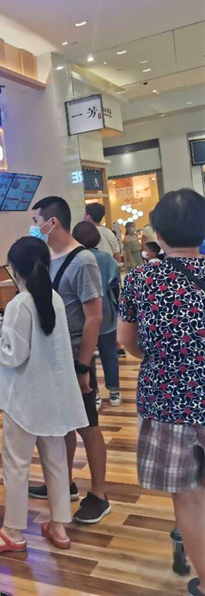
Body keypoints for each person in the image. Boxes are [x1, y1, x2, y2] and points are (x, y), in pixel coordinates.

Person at [117, 189, 205, 596]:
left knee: (189, 498)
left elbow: (127, 341)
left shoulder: (141, 279)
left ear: (158, 233)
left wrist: (161, 358)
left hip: (168, 400)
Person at [0, 237, 89, 554]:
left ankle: (12, 531)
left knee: (16, 465)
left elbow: (13, 355)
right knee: (56, 461)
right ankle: (59, 525)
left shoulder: (19, 304)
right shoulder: (54, 299)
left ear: (14, 268)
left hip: (24, 399)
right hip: (53, 397)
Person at [29, 196, 111, 524]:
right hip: (54, 354)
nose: (34, 227)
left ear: (53, 222)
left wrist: (83, 365)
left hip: (76, 355)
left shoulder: (83, 260)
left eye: (37, 221)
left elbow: (94, 317)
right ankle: (64, 482)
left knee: (88, 425)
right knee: (62, 424)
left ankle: (100, 495)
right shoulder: (47, 258)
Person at [72, 221, 122, 408]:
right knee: (109, 353)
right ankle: (114, 391)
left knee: (87, 354)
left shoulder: (75, 260)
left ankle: (95, 394)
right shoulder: (107, 259)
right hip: (107, 311)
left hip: (83, 314)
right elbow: (115, 286)